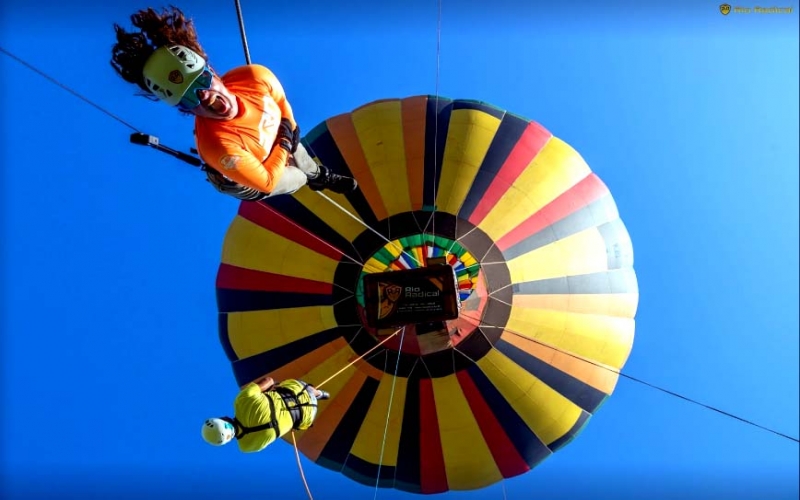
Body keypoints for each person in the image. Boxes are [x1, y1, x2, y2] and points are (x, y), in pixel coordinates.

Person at [110, 6, 357, 201]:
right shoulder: (219, 147)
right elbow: (267, 181)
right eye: (188, 99)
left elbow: (281, 102)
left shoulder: (254, 77)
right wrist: (284, 140)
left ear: (213, 72)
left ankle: (321, 176)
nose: (203, 95)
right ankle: (310, 177)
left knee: (300, 154)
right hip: (245, 178)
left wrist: (287, 132)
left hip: (272, 138)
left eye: (202, 81)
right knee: (297, 178)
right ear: (184, 109)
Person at [202, 374, 331, 452]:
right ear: (223, 419)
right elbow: (268, 380)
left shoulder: (247, 447)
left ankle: (317, 395)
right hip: (300, 392)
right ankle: (317, 393)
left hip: (307, 416)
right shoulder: (241, 401)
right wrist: (272, 388)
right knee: (289, 386)